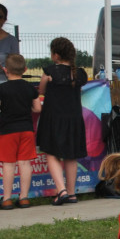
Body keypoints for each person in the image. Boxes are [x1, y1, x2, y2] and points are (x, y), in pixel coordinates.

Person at [36, 37, 88, 205]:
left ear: (56, 55)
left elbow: (41, 90)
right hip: (74, 118)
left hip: (53, 118)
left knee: (52, 154)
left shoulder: (50, 71)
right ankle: (72, 193)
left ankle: (61, 190)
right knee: (71, 156)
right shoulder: (80, 73)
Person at [0, 53, 40, 209]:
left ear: (5, 70)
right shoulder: (29, 87)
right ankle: (24, 197)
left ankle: (7, 199)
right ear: (25, 69)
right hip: (26, 130)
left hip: (8, 131)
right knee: (25, 163)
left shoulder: (1, 88)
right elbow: (38, 108)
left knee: (9, 164)